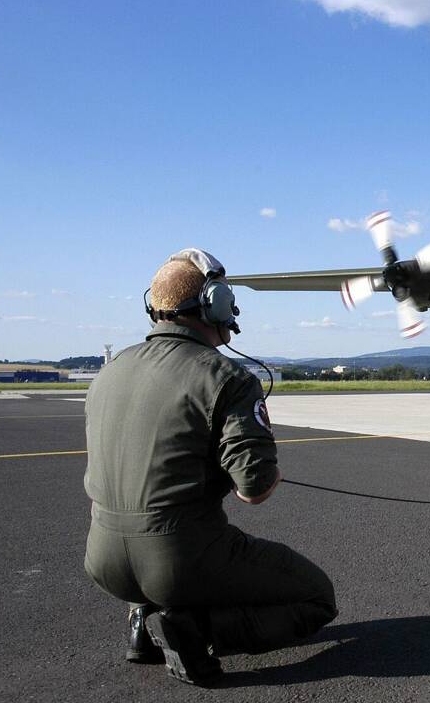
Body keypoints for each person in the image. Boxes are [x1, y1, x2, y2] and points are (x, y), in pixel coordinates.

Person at [83, 248, 337, 686]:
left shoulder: (109, 372)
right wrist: (266, 471)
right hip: (178, 559)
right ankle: (194, 632)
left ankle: (142, 619)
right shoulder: (228, 378)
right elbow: (254, 488)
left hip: (103, 560)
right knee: (317, 596)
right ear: (214, 304)